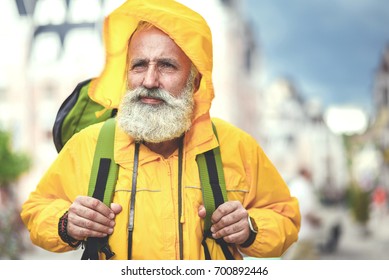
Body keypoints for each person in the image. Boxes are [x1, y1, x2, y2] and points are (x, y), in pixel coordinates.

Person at [20, 0, 300, 260]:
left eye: (167, 65)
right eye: (139, 65)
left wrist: (251, 228)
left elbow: (286, 218)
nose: (149, 80)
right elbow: (36, 210)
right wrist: (66, 223)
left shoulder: (235, 146)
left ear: (194, 78)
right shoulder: (88, 145)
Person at [283, 168, 321, 260]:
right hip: (304, 234)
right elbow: (307, 211)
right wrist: (317, 221)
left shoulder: (293, 184)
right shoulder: (304, 187)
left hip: (292, 232)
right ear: (305, 173)